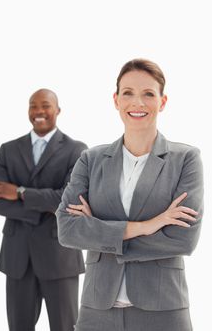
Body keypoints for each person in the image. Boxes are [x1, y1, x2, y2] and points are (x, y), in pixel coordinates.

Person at [56, 59, 204, 331]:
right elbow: (67, 230)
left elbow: (183, 239)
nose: (138, 102)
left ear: (163, 101)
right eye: (128, 93)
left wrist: (100, 232)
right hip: (97, 312)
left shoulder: (185, 159)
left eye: (148, 93)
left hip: (163, 311)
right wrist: (148, 226)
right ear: (116, 100)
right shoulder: (91, 160)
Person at [0, 88, 87, 331]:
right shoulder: (7, 150)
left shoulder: (77, 150)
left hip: (59, 256)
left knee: (65, 327)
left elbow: (69, 200)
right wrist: (43, 208)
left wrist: (21, 193)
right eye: (33, 106)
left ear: (58, 110)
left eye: (45, 105)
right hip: (17, 257)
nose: (39, 112)